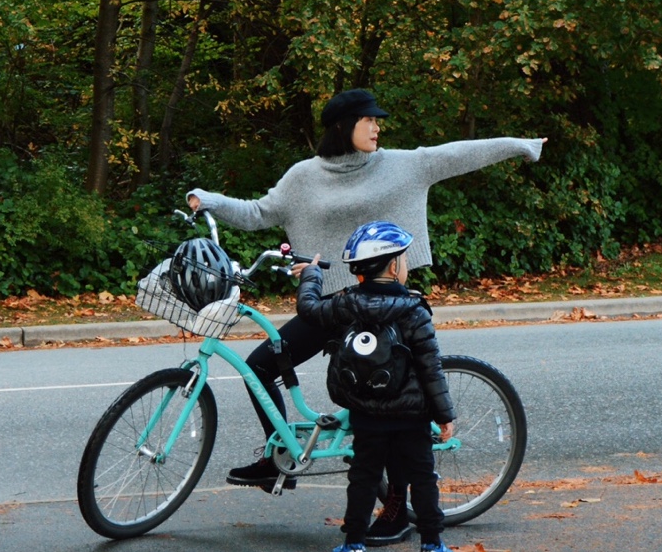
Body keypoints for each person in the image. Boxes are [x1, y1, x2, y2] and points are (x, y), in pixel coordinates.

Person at [188, 88, 542, 506]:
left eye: (377, 120)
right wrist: (207, 199)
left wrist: (522, 145)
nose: (377, 127)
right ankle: (277, 457)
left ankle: (396, 511)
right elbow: (258, 212)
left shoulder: (400, 166)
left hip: (381, 303)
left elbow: (458, 154)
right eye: (368, 120)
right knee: (260, 366)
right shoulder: (304, 176)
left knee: (382, 407)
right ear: (343, 126)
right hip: (332, 306)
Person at [297, 221, 456, 552]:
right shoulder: (414, 311)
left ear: (359, 273)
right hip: (411, 415)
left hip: (366, 413)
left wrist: (310, 275)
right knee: (422, 477)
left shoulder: (346, 305)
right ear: (394, 266)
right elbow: (431, 368)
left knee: (364, 477)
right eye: (403, 259)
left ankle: (353, 546)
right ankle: (432, 546)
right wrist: (444, 414)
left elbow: (308, 309)